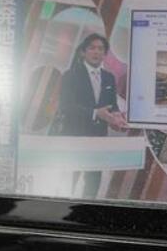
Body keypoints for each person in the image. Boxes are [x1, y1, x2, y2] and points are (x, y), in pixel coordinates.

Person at [54, 33, 126, 198]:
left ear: (105, 54)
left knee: (93, 182)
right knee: (69, 182)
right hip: (74, 137)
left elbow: (112, 105)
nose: (96, 52)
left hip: (98, 138)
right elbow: (65, 107)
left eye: (100, 49)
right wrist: (95, 113)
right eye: (92, 48)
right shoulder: (70, 75)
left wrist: (116, 117)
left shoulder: (109, 78)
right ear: (83, 52)